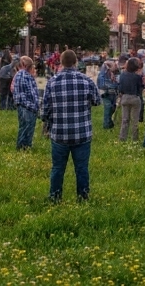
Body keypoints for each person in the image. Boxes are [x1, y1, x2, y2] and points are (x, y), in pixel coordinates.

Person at [41, 49, 101, 202]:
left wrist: (47, 122)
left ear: (60, 62)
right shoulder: (86, 80)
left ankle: (55, 197)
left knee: (57, 169)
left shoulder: (52, 82)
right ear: (76, 62)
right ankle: (83, 197)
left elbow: (45, 109)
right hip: (82, 133)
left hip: (59, 134)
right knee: (81, 169)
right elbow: (97, 101)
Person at [12, 56, 40, 151]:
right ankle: (24, 147)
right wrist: (37, 105)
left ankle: (22, 147)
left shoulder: (20, 74)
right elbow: (31, 93)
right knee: (27, 128)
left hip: (22, 105)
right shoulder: (24, 75)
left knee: (23, 127)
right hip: (28, 106)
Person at [117, 57, 145, 142]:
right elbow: (140, 88)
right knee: (135, 120)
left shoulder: (122, 75)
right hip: (135, 98)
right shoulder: (137, 77)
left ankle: (122, 138)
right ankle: (134, 139)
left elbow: (120, 88)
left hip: (125, 97)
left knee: (125, 120)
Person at [97, 61, 118, 131]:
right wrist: (112, 86)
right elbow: (101, 85)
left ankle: (110, 123)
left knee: (113, 108)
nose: (115, 67)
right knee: (108, 108)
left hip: (113, 94)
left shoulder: (115, 74)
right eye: (114, 66)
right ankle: (106, 126)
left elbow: (118, 84)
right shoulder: (102, 75)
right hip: (105, 94)